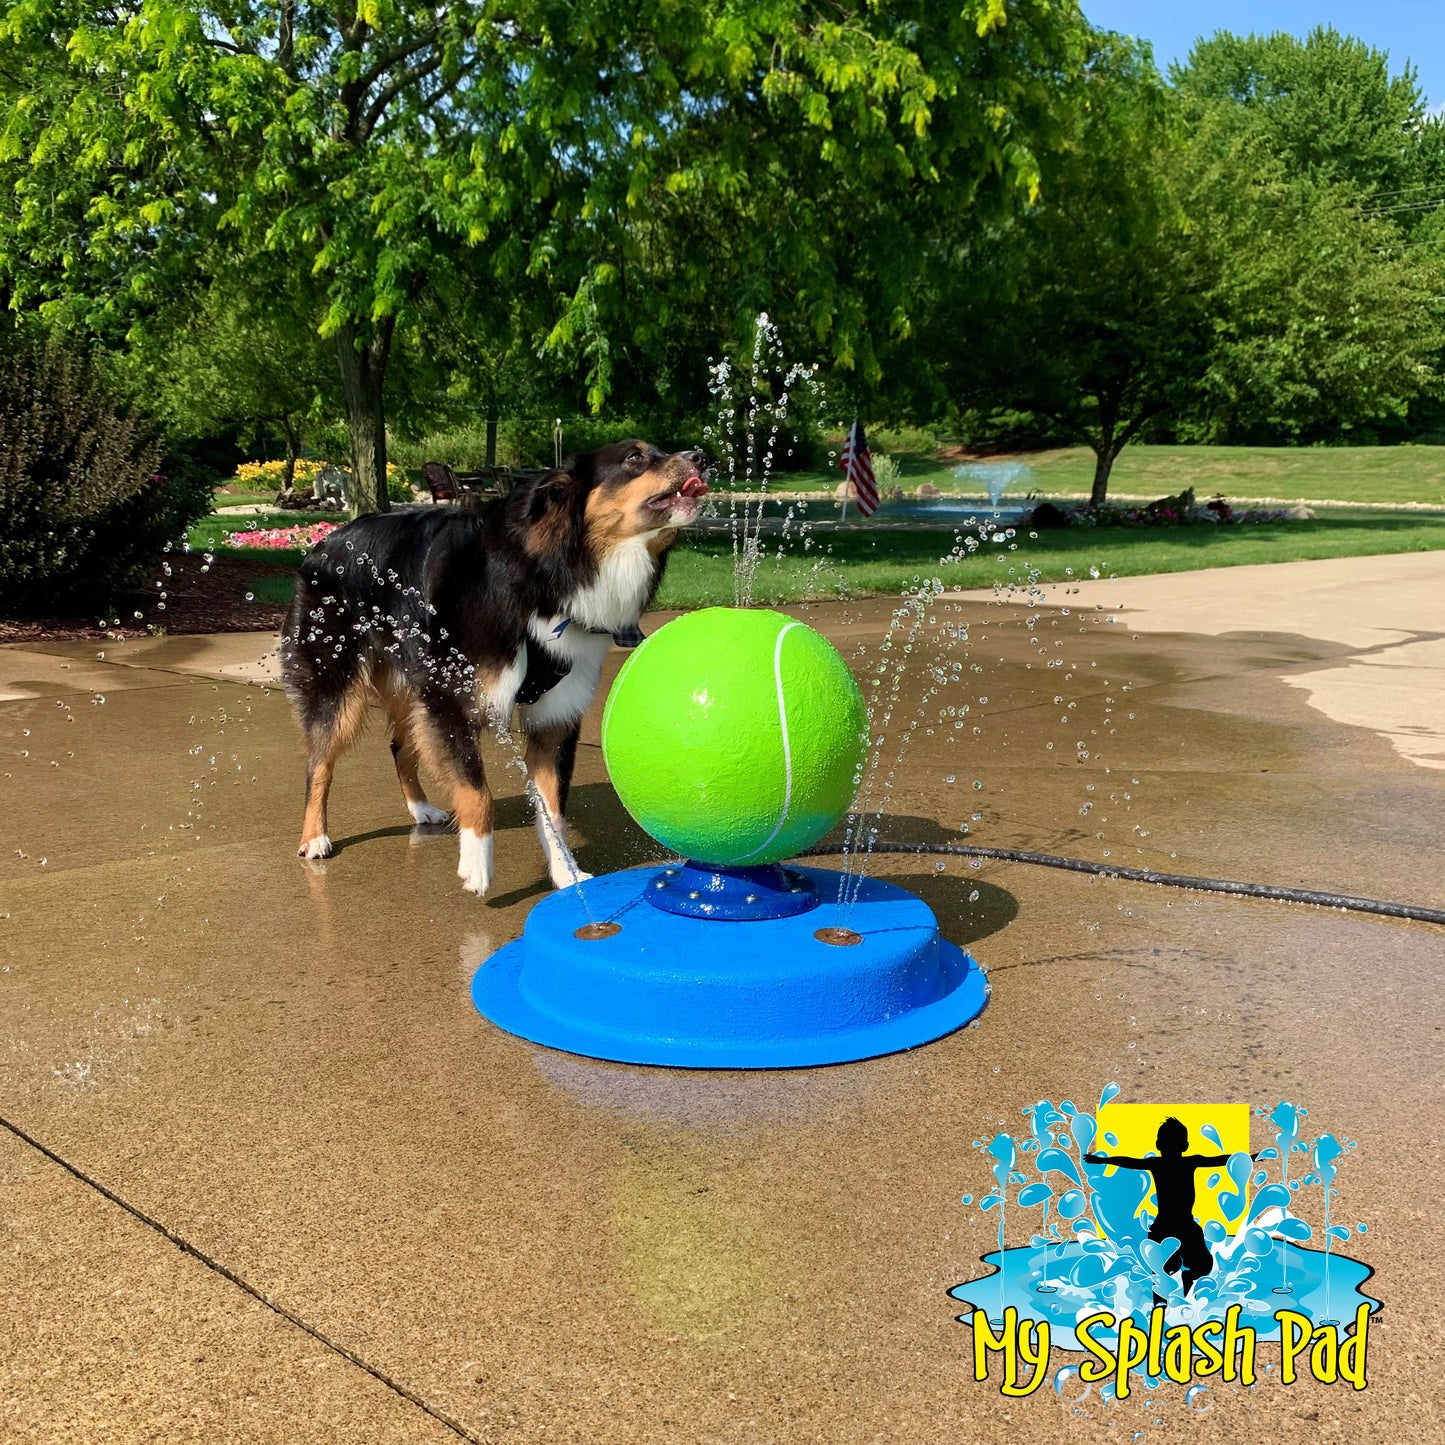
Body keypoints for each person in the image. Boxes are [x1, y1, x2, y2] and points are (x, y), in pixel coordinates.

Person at [1084, 1118, 1241, 1296]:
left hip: (1172, 1227)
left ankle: (1173, 1294)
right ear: (1186, 1145)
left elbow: (1130, 1162)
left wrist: (1103, 1160)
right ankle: (1180, 1288)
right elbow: (1221, 1160)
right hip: (1175, 1226)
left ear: (1159, 1144)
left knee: (1170, 1270)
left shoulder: (1162, 1163)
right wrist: (1245, 1159)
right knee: (1190, 1267)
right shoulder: (1182, 1162)